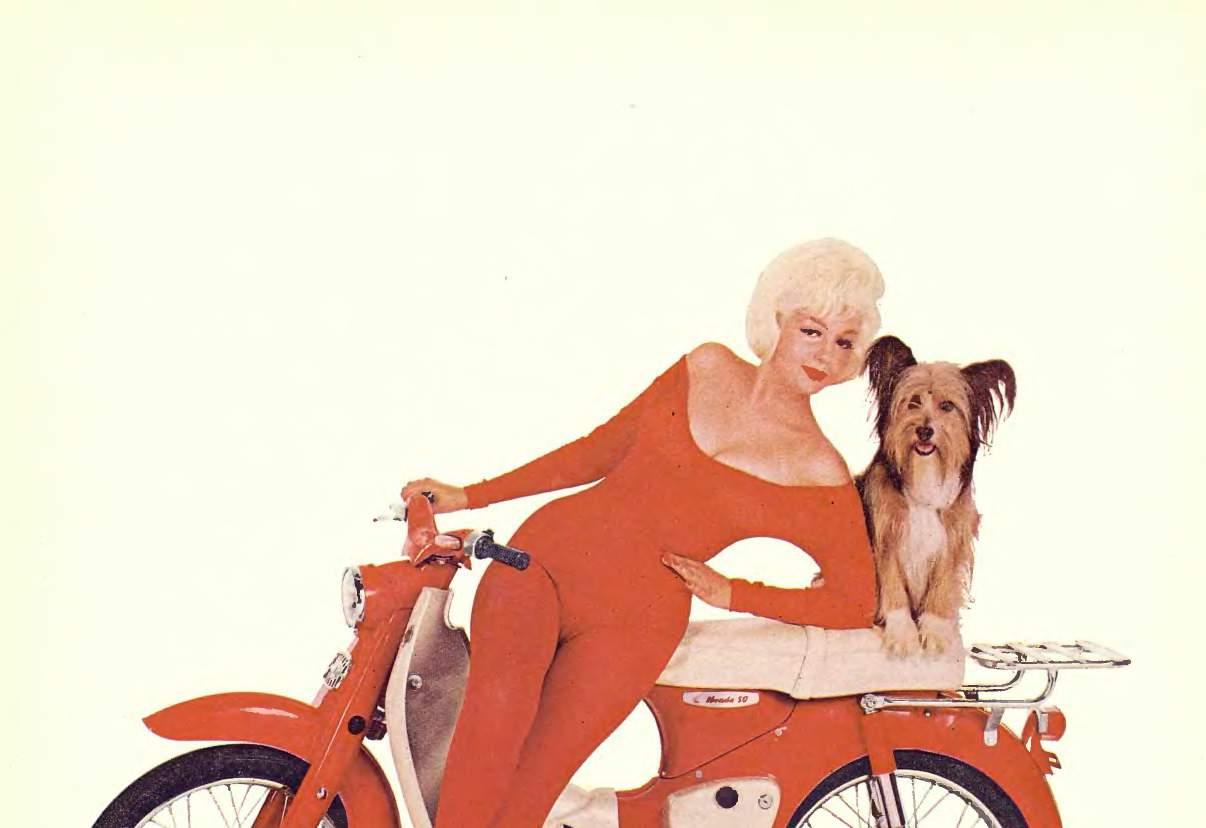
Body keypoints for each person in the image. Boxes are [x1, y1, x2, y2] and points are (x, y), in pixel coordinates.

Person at [402, 238, 884, 828]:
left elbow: (855, 601)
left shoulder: (818, 469)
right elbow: (597, 451)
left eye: (845, 343)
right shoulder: (706, 366)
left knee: (533, 787)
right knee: (486, 744)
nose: (826, 355)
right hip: (542, 562)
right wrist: (470, 495)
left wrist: (733, 592)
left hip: (635, 623)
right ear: (778, 317)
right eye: (812, 331)